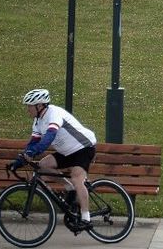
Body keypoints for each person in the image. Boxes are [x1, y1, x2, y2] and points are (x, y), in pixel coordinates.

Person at [9, 89, 97, 229]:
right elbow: (33, 143)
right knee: (43, 164)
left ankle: (86, 218)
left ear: (40, 106)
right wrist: (19, 162)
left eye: (29, 106)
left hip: (84, 147)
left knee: (77, 177)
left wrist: (34, 152)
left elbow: (50, 136)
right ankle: (69, 188)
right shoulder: (38, 121)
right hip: (67, 151)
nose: (28, 109)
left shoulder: (54, 114)